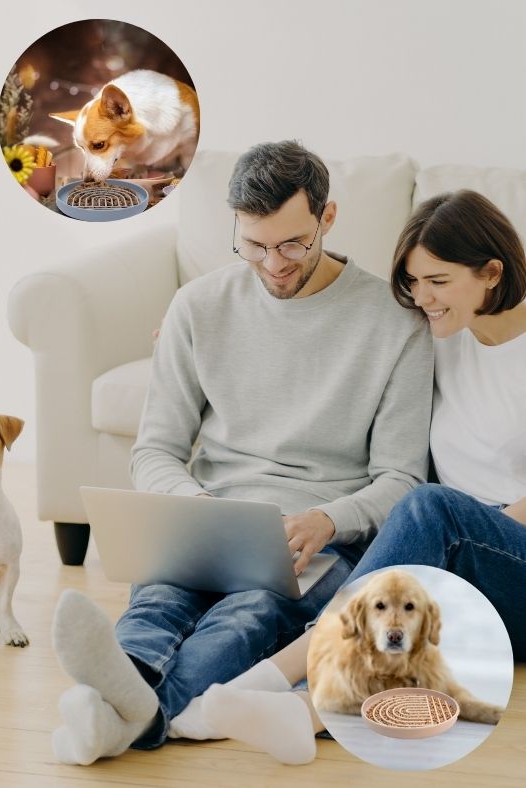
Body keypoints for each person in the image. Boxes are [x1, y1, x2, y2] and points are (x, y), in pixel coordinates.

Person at [50, 140, 434, 765]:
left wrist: (328, 519)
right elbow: (155, 451)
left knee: (248, 615)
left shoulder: (395, 322)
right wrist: (191, 505)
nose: (274, 264)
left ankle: (118, 713)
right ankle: (131, 702)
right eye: (254, 245)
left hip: (314, 535)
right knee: (157, 602)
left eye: (292, 244)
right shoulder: (198, 306)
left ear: (327, 220)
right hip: (208, 516)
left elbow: (402, 478)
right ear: (235, 226)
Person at [168, 189, 526, 764]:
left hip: (507, 553)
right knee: (386, 556)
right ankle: (305, 714)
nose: (421, 300)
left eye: (437, 281)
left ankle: (269, 677)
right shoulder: (441, 337)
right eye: (412, 282)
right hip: (457, 560)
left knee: (430, 510)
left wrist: (458, 552)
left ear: (491, 273)